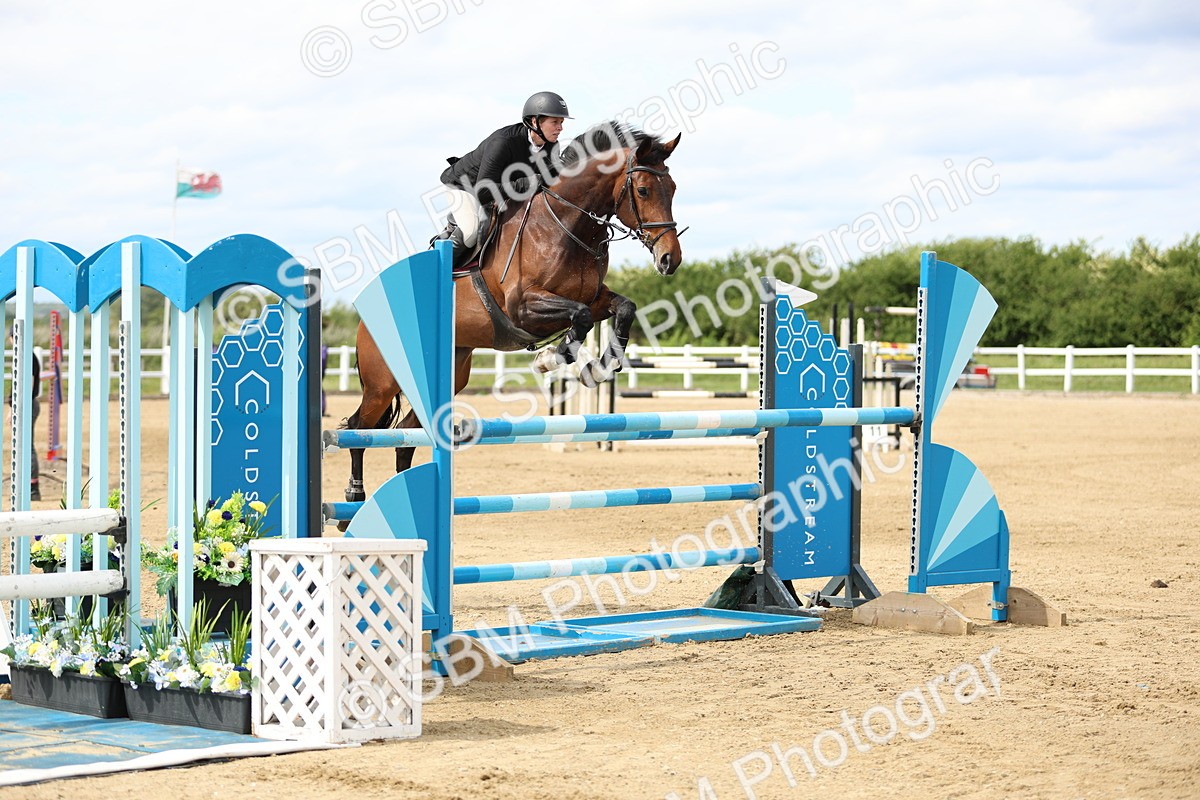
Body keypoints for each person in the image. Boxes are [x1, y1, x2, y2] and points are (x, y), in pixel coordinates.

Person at [436, 91, 573, 267]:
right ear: (534, 122)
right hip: (466, 186)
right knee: (470, 233)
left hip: (500, 189)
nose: (560, 128)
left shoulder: (551, 146)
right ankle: (439, 268)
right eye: (555, 122)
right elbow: (484, 193)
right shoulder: (503, 142)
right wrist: (529, 182)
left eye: (561, 122)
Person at [5, 338, 41, 500]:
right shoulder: (24, 355)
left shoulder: (27, 356)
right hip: (25, 403)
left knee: (27, 445)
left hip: (27, 403)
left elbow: (29, 383)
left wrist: (17, 406)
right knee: (23, 444)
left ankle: (33, 488)